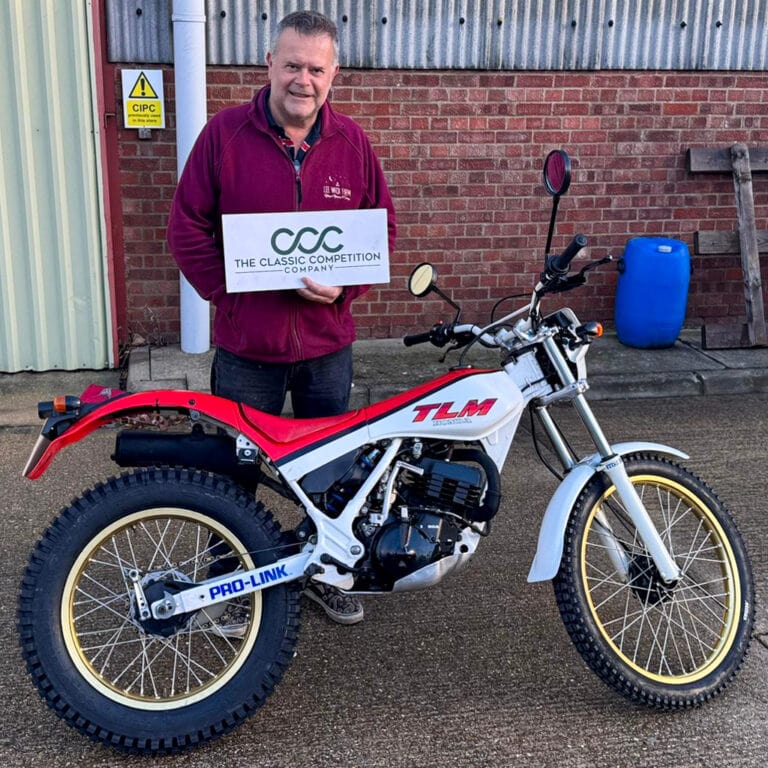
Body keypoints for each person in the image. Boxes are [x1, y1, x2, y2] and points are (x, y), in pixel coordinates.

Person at [167, 10, 396, 626]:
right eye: (292, 65)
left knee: (331, 476)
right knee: (232, 475)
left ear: (334, 73)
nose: (303, 80)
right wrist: (230, 295)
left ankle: (323, 572)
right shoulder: (223, 136)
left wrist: (344, 289)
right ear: (269, 64)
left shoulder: (352, 144)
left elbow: (380, 231)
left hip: (326, 350)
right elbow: (186, 228)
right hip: (248, 353)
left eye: (316, 69)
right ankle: (225, 585)